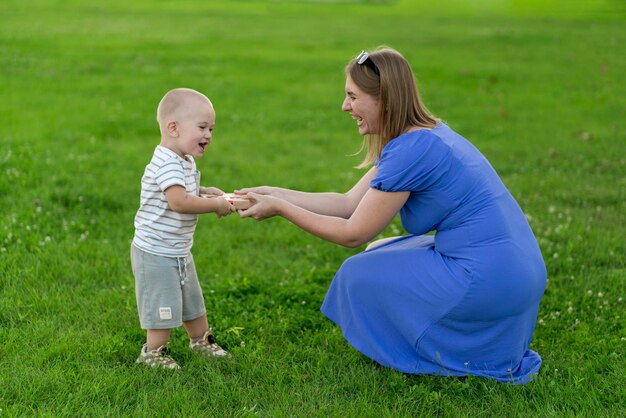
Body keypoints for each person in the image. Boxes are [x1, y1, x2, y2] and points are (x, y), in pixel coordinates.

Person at [237, 47, 547, 384]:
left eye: (352, 96)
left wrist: (281, 209)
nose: (345, 107)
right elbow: (346, 202)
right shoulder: (424, 136)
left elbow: (352, 233)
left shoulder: (412, 150)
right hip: (515, 271)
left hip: (488, 279)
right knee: (379, 252)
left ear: (384, 98)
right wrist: (271, 193)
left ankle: (436, 349)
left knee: (357, 272)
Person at [131, 88, 234, 369]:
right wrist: (215, 205)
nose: (209, 135)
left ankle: (200, 340)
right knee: (162, 305)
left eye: (211, 128)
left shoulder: (183, 160)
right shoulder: (166, 161)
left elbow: (182, 190)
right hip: (156, 251)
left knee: (192, 300)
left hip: (177, 249)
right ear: (173, 128)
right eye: (202, 127)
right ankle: (152, 352)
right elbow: (178, 201)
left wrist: (205, 191)